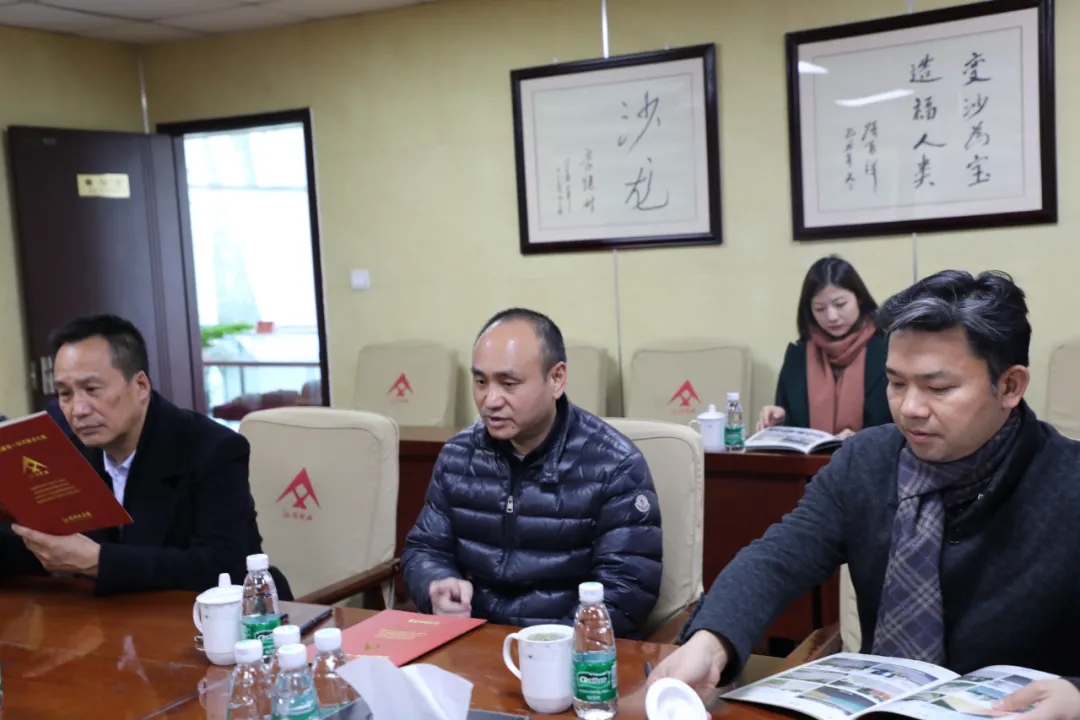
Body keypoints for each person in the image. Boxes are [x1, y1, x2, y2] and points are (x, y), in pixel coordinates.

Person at [651, 270, 1080, 698]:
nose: (910, 408)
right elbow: (779, 558)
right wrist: (711, 641)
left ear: (1010, 386)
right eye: (896, 383)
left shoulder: (1067, 483)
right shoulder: (867, 461)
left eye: (938, 387)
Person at [401, 308, 662, 638]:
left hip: (568, 650)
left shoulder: (614, 464)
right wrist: (436, 584)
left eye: (508, 384)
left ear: (556, 379)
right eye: (480, 382)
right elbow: (424, 549)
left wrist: (544, 645)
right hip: (475, 643)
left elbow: (626, 591)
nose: (490, 400)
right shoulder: (459, 455)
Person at [0, 314, 289, 598]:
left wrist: (99, 561)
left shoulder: (214, 449)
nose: (78, 410)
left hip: (206, 616)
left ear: (140, 386)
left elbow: (222, 566)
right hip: (111, 616)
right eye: (65, 394)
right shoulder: (65, 444)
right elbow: (53, 548)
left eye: (92, 390)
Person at [757, 255, 889, 439]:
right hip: (810, 458)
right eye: (820, 308)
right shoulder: (798, 356)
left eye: (840, 304)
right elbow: (792, 422)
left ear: (859, 298)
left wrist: (861, 440)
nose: (831, 316)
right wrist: (780, 420)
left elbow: (900, 424)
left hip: (871, 456)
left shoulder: (887, 350)